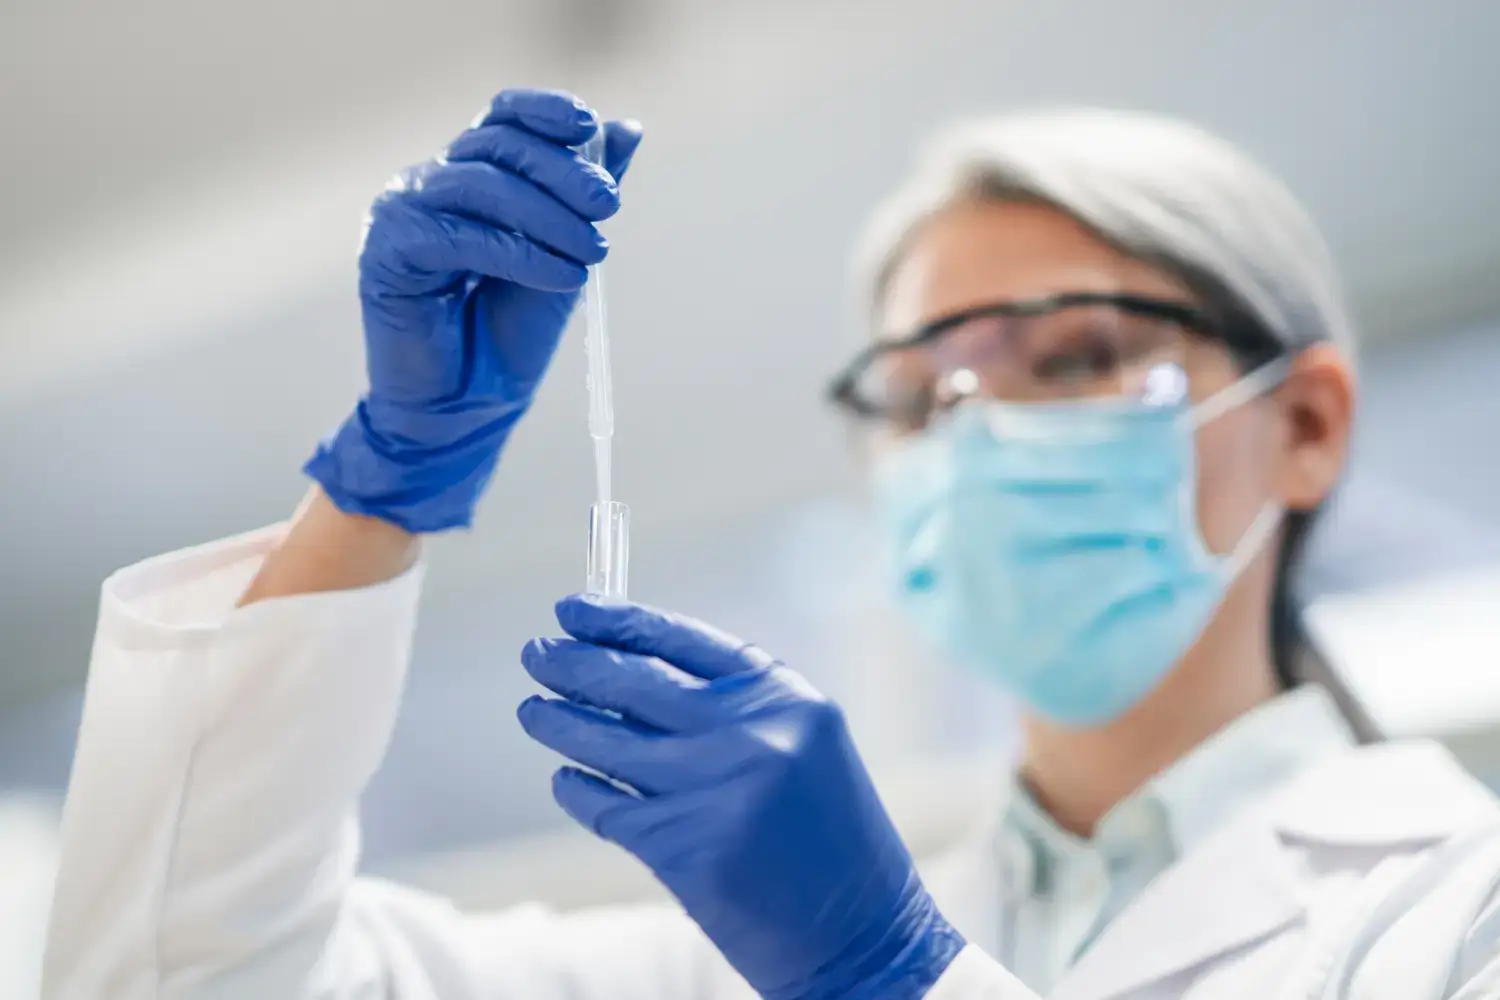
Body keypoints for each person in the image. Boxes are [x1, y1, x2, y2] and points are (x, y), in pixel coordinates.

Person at [39, 87, 1500, 1000]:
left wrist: (888, 975)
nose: (977, 431)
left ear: (1304, 423)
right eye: (922, 390)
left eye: (1074, 356)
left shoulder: (1453, 912)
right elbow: (184, 979)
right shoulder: (721, 955)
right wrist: (387, 479)